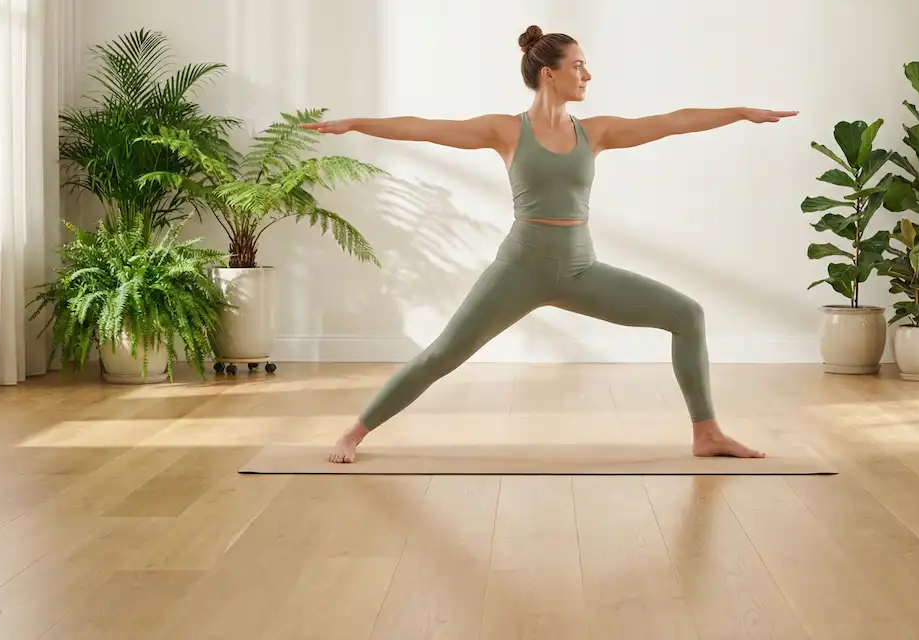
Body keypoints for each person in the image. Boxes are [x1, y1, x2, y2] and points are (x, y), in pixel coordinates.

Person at [302, 26, 797, 463]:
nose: (587, 75)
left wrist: (738, 113)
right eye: (578, 65)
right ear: (548, 73)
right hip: (520, 269)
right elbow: (425, 129)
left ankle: (707, 433)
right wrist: (356, 123)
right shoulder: (506, 130)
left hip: (582, 271)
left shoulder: (596, 132)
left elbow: (672, 120)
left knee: (687, 315)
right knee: (442, 356)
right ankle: (354, 432)